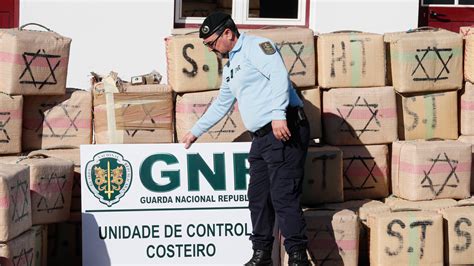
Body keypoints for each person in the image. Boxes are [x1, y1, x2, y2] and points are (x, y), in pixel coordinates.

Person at [181, 12, 310, 266]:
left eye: (211, 43)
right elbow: (222, 104)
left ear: (228, 33)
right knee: (258, 198)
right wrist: (195, 131)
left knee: (283, 196)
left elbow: (278, 75)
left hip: (283, 128)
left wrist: (278, 115)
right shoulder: (231, 66)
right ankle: (261, 255)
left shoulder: (256, 47)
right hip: (261, 138)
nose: (211, 49)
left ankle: (297, 257)